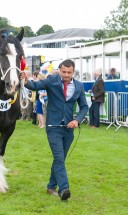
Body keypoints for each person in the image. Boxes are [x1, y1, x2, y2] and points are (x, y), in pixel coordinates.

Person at [20, 59, 88, 201]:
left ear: (73, 72)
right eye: (64, 71)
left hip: (69, 129)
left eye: (69, 72)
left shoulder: (79, 86)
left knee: (60, 159)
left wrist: (77, 120)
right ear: (59, 70)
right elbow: (35, 85)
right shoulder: (52, 80)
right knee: (58, 158)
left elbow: (84, 107)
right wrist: (25, 81)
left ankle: (51, 186)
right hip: (53, 127)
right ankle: (64, 189)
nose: (66, 75)